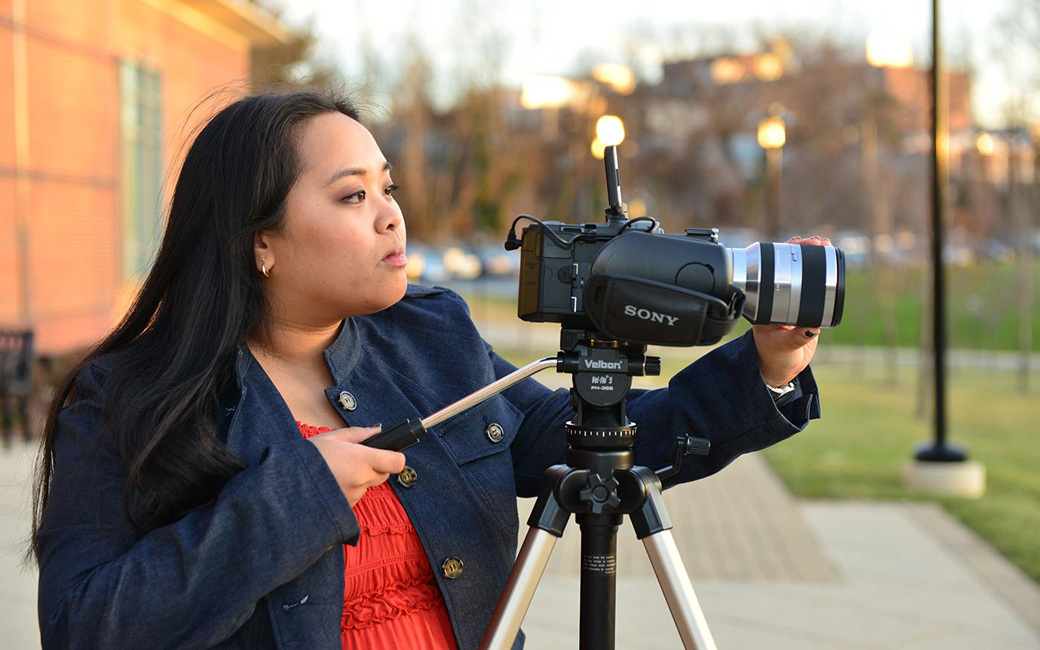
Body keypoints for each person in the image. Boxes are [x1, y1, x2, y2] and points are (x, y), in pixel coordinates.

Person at [31, 88, 826, 650]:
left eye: (389, 187)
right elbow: (86, 626)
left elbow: (595, 438)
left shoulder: (430, 335)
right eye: (350, 197)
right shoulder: (128, 401)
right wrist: (295, 494)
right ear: (259, 242)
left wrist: (768, 366)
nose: (390, 214)